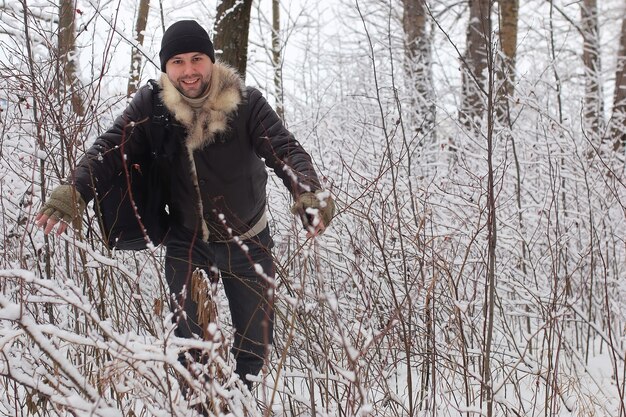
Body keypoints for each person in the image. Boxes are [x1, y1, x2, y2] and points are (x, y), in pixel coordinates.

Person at [35, 20, 335, 390]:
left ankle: (238, 403)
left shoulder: (246, 102)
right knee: (191, 351)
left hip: (249, 242)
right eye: (177, 61)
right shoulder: (152, 105)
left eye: (197, 59)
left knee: (255, 349)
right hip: (187, 242)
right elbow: (111, 147)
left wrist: (308, 192)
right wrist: (74, 190)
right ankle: (201, 406)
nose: (189, 70)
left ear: (211, 60)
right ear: (165, 67)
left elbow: (283, 149)